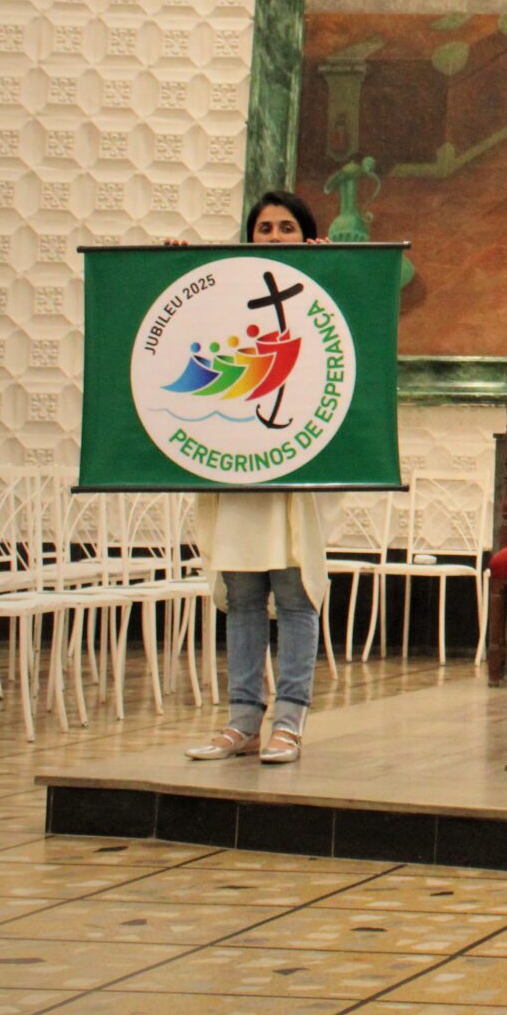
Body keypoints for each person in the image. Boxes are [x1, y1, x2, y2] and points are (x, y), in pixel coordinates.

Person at [182, 192, 331, 767]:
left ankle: (289, 722)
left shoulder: (323, 290)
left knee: (294, 595)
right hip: (237, 467)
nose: (274, 236)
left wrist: (333, 270)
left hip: (294, 469)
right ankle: (242, 720)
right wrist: (170, 266)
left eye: (286, 227)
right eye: (264, 228)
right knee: (243, 598)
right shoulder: (226, 294)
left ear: (305, 234)